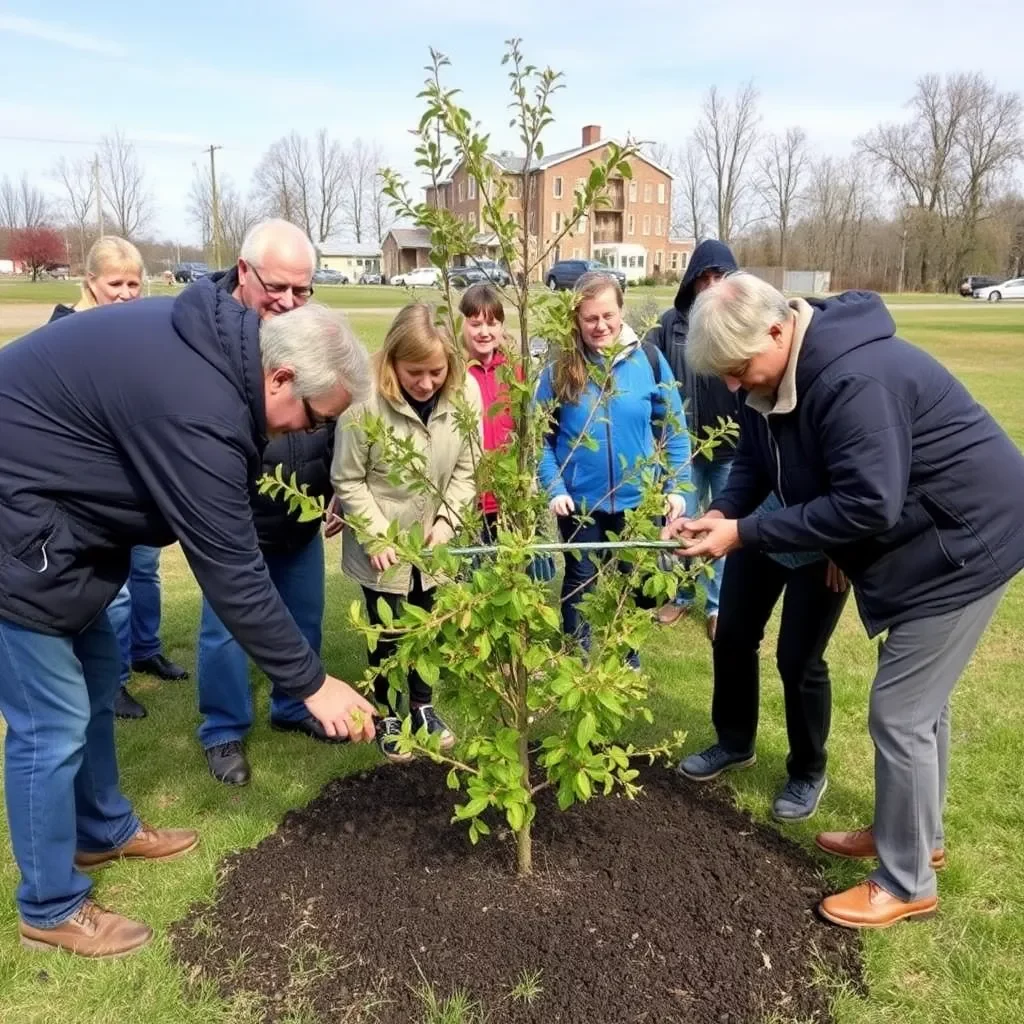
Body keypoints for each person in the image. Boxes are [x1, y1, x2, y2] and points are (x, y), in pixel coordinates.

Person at [0, 284, 376, 958]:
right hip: (16, 526)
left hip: (55, 521)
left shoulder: (222, 358)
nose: (312, 433)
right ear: (281, 376)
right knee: (48, 722)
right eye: (317, 418)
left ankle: (101, 831)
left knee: (95, 680)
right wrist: (313, 685)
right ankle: (50, 907)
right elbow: (231, 570)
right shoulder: (200, 407)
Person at [664, 272, 1024, 929]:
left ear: (778, 329)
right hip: (931, 542)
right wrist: (718, 512)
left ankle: (905, 881)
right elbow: (753, 460)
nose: (739, 387)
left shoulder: (852, 380)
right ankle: (916, 836)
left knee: (901, 713)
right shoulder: (774, 377)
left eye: (741, 370)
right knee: (922, 709)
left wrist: (743, 534)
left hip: (969, 542)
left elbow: (866, 503)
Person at [195, 219, 343, 787]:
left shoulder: (314, 333)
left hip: (301, 512)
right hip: (235, 519)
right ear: (243, 271)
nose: (287, 301)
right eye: (276, 287)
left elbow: (331, 414)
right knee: (225, 629)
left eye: (300, 290)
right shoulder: (212, 340)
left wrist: (333, 489)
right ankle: (223, 728)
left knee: (302, 616)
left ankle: (293, 705)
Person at [333, 303, 480, 763]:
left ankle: (421, 707)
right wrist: (379, 537)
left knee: (429, 627)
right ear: (393, 361)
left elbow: (468, 468)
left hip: (434, 541)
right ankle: (386, 712)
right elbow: (349, 479)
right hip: (382, 544)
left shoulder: (464, 392)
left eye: (435, 371)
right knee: (387, 631)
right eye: (414, 372)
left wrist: (446, 522)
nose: (426, 383)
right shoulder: (364, 402)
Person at [48, 235, 187, 721]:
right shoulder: (67, 330)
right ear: (90, 281)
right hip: (93, 485)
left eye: (134, 283)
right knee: (115, 590)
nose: (127, 293)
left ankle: (145, 649)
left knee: (146, 570)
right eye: (116, 283)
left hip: (139, 474)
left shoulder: (128, 327)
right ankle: (115, 683)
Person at [535, 272, 690, 667]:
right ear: (576, 320)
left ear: (621, 312)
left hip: (637, 500)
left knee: (632, 580)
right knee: (581, 577)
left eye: (608, 315)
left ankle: (627, 655)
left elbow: (674, 429)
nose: (600, 326)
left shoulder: (650, 361)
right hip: (579, 503)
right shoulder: (558, 369)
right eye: (590, 318)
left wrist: (676, 486)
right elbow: (540, 439)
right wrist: (554, 488)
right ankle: (577, 657)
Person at [677, 492, 850, 821]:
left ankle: (807, 772)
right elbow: (748, 465)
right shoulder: (763, 435)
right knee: (732, 637)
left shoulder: (848, 436)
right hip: (760, 528)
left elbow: (864, 487)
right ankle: (734, 744)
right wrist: (721, 511)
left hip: (826, 544)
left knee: (798, 660)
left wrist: (848, 543)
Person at [647, 240, 739, 640]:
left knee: (720, 528)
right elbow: (653, 383)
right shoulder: (671, 325)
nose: (713, 285)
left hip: (731, 449)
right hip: (684, 449)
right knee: (683, 524)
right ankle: (682, 594)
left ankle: (719, 604)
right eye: (705, 278)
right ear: (693, 282)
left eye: (720, 277)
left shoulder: (739, 322)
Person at [459, 283, 555, 582]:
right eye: (475, 324)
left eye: (492, 323)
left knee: (523, 576)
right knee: (477, 577)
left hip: (512, 492)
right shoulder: (454, 372)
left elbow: (530, 429)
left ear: (502, 326)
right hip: (471, 495)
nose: (484, 332)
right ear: (462, 325)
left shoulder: (516, 369)